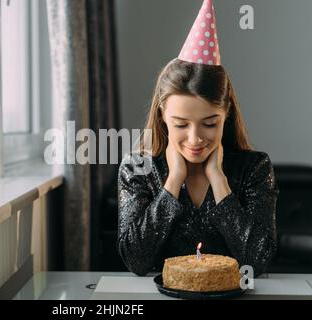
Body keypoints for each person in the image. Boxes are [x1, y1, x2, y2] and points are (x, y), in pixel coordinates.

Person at [117, 0, 279, 277]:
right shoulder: (137, 169)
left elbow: (259, 260)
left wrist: (219, 182)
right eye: (181, 124)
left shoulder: (254, 169)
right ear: (163, 116)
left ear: (226, 114)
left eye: (209, 123)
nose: (195, 139)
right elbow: (135, 260)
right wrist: (173, 181)